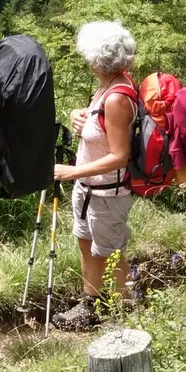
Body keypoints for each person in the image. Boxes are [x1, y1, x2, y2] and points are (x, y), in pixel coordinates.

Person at [52, 19, 138, 327]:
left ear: (96, 60)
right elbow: (99, 131)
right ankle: (90, 304)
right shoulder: (108, 87)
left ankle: (127, 314)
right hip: (89, 189)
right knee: (87, 244)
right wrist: (81, 117)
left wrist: (71, 171)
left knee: (111, 253)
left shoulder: (117, 98)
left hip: (107, 193)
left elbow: (119, 156)